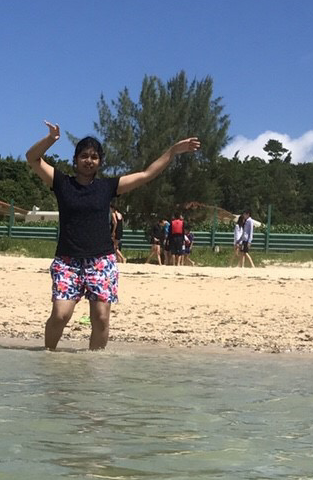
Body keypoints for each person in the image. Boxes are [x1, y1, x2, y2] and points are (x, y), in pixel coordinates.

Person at [25, 120, 200, 350]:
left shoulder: (108, 187)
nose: (89, 161)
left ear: (100, 162)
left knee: (101, 317)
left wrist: (172, 152)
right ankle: (48, 358)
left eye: (94, 157)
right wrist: (51, 139)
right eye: (84, 156)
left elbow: (146, 174)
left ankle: (94, 365)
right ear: (75, 159)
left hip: (101, 261)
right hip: (68, 261)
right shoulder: (61, 183)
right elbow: (32, 158)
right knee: (60, 314)